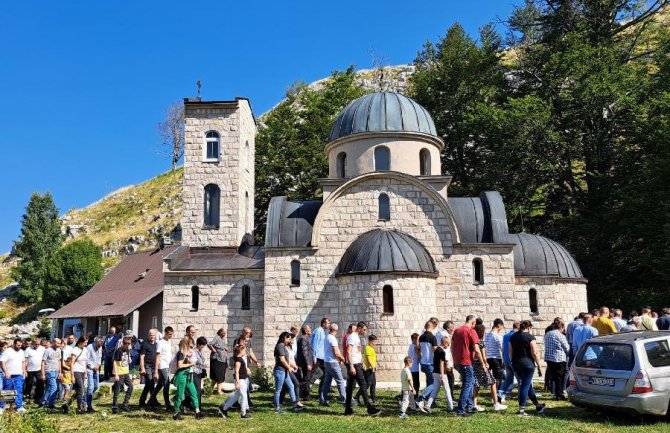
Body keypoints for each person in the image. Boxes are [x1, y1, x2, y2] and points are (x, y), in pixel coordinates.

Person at [509, 320, 546, 417]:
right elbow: (534, 352)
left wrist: (512, 362)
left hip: (516, 363)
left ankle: (538, 406)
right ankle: (521, 410)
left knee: (527, 385)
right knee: (525, 386)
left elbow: (510, 352)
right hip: (527, 364)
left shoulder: (513, 337)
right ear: (529, 327)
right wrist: (539, 366)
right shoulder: (530, 337)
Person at [344, 322, 380, 416]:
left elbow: (357, 352)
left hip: (357, 364)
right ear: (359, 328)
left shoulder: (356, 337)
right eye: (364, 330)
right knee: (363, 385)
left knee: (350, 387)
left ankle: (348, 409)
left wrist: (362, 362)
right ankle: (369, 408)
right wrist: (351, 366)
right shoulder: (352, 337)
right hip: (354, 365)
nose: (364, 332)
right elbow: (348, 351)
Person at [472, 322, 506, 412]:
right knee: (493, 382)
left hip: (474, 364)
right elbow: (483, 354)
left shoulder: (472, 341)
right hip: (481, 364)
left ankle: (474, 404)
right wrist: (485, 363)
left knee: (477, 384)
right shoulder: (480, 342)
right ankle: (496, 403)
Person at [172, 336, 204, 420]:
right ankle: (175, 413)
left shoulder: (188, 353)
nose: (192, 347)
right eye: (190, 346)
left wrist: (191, 361)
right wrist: (190, 364)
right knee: (180, 395)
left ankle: (197, 412)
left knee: (194, 392)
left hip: (189, 376)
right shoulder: (181, 353)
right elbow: (180, 365)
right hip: (182, 375)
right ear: (185, 345)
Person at [420, 335, 454, 413]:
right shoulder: (442, 352)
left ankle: (428, 405)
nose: (448, 346)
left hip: (435, 372)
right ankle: (451, 407)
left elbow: (440, 361)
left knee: (435, 390)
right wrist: (442, 375)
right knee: (447, 390)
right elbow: (441, 364)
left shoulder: (437, 350)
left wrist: (446, 363)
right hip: (441, 374)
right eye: (448, 344)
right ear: (445, 343)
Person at [273, 331, 304, 414]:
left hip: (284, 371)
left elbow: (287, 360)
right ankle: (277, 408)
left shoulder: (284, 346)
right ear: (284, 338)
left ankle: (294, 406)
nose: (290, 340)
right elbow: (282, 360)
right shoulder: (280, 346)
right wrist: (289, 367)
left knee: (291, 386)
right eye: (288, 338)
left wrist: (293, 366)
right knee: (278, 390)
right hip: (280, 371)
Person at [218, 344, 252, 419]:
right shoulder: (238, 360)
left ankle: (223, 408)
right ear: (240, 351)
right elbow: (236, 372)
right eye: (244, 350)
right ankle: (243, 414)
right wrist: (237, 382)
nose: (245, 351)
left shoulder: (241, 358)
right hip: (240, 380)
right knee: (244, 396)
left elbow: (242, 369)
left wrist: (247, 371)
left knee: (236, 396)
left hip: (243, 379)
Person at [320, 324, 346, 406]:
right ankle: (345, 400)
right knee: (340, 381)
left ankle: (323, 399)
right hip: (333, 362)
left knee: (327, 381)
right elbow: (336, 353)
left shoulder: (327, 337)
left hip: (327, 361)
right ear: (336, 330)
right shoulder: (332, 339)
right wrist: (342, 358)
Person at [544, 320, 570, 400]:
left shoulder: (547, 334)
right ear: (561, 327)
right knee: (560, 378)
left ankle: (555, 392)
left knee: (554, 377)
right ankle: (559, 395)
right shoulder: (560, 335)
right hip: (559, 359)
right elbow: (567, 348)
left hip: (549, 358)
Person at [234, 327, 259, 410]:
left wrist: (256, 361)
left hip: (245, 365)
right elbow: (236, 354)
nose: (247, 334)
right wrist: (245, 368)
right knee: (243, 386)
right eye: (246, 332)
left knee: (246, 386)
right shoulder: (238, 341)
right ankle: (243, 405)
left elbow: (250, 352)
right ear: (243, 332)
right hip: (240, 365)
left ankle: (244, 404)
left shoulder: (249, 342)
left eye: (249, 332)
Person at [0, 338, 27, 413]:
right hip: (9, 375)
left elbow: (23, 361)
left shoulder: (21, 352)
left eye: (21, 345)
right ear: (14, 344)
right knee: (7, 391)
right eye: (18, 345)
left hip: (18, 374)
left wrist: (24, 371)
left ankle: (19, 407)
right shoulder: (8, 351)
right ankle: (1, 407)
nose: (19, 347)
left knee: (19, 390)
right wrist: (6, 372)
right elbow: (2, 362)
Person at [150, 326, 173, 411]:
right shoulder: (160, 343)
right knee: (167, 384)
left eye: (171, 334)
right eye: (169, 334)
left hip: (168, 365)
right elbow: (157, 357)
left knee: (160, 384)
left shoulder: (169, 341)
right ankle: (167, 405)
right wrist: (156, 371)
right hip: (162, 366)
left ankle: (151, 400)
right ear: (165, 333)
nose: (171, 336)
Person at [416, 320, 438, 402]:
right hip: (430, 363)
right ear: (432, 326)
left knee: (429, 382)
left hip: (423, 362)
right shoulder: (432, 337)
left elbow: (418, 349)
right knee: (434, 383)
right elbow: (435, 350)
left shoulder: (421, 337)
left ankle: (430, 401)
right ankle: (421, 397)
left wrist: (421, 360)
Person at [498, 321, 519, 402]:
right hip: (514, 360)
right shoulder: (517, 335)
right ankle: (521, 397)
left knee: (508, 380)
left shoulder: (506, 336)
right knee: (520, 380)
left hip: (506, 360)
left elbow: (503, 348)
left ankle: (500, 394)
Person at [111, 336, 133, 414]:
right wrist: (116, 374)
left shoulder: (127, 350)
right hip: (120, 373)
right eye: (126, 343)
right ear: (123, 343)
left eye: (129, 343)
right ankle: (115, 407)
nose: (127, 345)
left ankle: (125, 404)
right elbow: (114, 362)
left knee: (130, 387)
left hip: (126, 372)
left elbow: (127, 360)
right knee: (117, 390)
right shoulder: (118, 350)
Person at [296, 324, 319, 400]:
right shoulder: (303, 338)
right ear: (305, 330)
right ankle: (303, 395)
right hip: (305, 363)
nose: (311, 330)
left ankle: (305, 395)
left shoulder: (306, 338)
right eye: (310, 328)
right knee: (306, 379)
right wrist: (308, 363)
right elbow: (304, 352)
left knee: (307, 379)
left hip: (307, 362)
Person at [138, 328, 159, 408]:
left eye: (153, 335)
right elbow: (142, 357)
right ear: (148, 335)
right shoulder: (145, 344)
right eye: (150, 335)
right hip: (147, 366)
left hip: (153, 367)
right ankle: (153, 401)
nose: (152, 336)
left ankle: (142, 401)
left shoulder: (155, 344)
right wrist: (142, 368)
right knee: (151, 383)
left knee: (148, 385)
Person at [356, 334, 378, 405]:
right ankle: (357, 396)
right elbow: (368, 359)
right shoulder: (368, 348)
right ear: (371, 341)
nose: (375, 343)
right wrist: (373, 366)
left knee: (373, 384)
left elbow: (373, 359)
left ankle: (373, 398)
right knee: (367, 384)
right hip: (368, 369)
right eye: (374, 342)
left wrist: (375, 365)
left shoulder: (372, 348)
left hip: (372, 369)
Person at [68, 336, 89, 414]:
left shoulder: (85, 350)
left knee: (78, 391)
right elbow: (72, 363)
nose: (86, 344)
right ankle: (79, 407)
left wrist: (86, 372)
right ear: (80, 342)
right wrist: (72, 375)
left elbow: (85, 362)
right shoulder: (75, 350)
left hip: (82, 371)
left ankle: (67, 404)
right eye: (85, 342)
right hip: (76, 371)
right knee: (81, 390)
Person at [311, 318, 330, 399]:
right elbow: (314, 345)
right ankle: (305, 391)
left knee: (324, 375)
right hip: (318, 358)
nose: (329, 325)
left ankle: (321, 393)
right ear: (324, 323)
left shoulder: (322, 331)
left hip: (322, 357)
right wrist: (314, 358)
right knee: (313, 374)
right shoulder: (318, 331)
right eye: (328, 323)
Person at [40, 338, 62, 409]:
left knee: (49, 387)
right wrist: (43, 374)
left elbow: (59, 361)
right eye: (57, 343)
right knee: (54, 387)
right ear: (53, 342)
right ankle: (50, 403)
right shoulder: (47, 351)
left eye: (59, 343)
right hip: (49, 370)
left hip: (56, 371)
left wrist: (60, 372)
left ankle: (43, 401)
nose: (58, 345)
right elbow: (43, 363)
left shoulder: (59, 350)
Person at [484, 319, 505, 390]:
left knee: (489, 376)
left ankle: (491, 389)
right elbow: (503, 349)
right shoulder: (498, 337)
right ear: (499, 325)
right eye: (502, 326)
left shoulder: (486, 335)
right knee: (498, 377)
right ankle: (497, 393)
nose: (502, 328)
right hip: (496, 358)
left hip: (488, 358)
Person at [24, 337, 45, 404]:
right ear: (33, 343)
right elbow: (25, 360)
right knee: (29, 384)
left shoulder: (42, 349)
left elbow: (44, 359)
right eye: (36, 344)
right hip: (30, 370)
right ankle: (27, 397)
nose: (37, 345)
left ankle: (38, 398)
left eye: (38, 344)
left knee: (40, 383)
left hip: (39, 369)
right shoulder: (28, 349)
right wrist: (25, 370)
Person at [208, 328, 228, 395]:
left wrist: (225, 348)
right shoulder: (217, 338)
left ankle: (209, 390)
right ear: (220, 332)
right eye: (223, 332)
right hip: (217, 359)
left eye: (225, 333)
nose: (225, 334)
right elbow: (209, 344)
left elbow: (223, 347)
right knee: (218, 375)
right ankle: (218, 391)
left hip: (222, 360)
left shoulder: (222, 339)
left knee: (218, 375)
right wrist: (213, 349)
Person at [85, 336, 104, 412]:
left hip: (96, 369)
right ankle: (88, 405)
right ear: (96, 342)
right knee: (91, 387)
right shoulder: (89, 347)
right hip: (89, 369)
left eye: (102, 343)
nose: (101, 345)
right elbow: (86, 359)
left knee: (96, 386)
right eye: (100, 343)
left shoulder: (100, 347)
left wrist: (98, 365)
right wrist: (92, 367)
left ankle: (86, 397)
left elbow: (99, 358)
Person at [407, 333, 421, 397]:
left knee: (413, 381)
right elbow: (418, 352)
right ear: (414, 339)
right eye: (418, 339)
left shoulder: (411, 346)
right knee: (416, 382)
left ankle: (413, 394)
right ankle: (415, 395)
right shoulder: (414, 346)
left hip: (412, 367)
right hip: (414, 368)